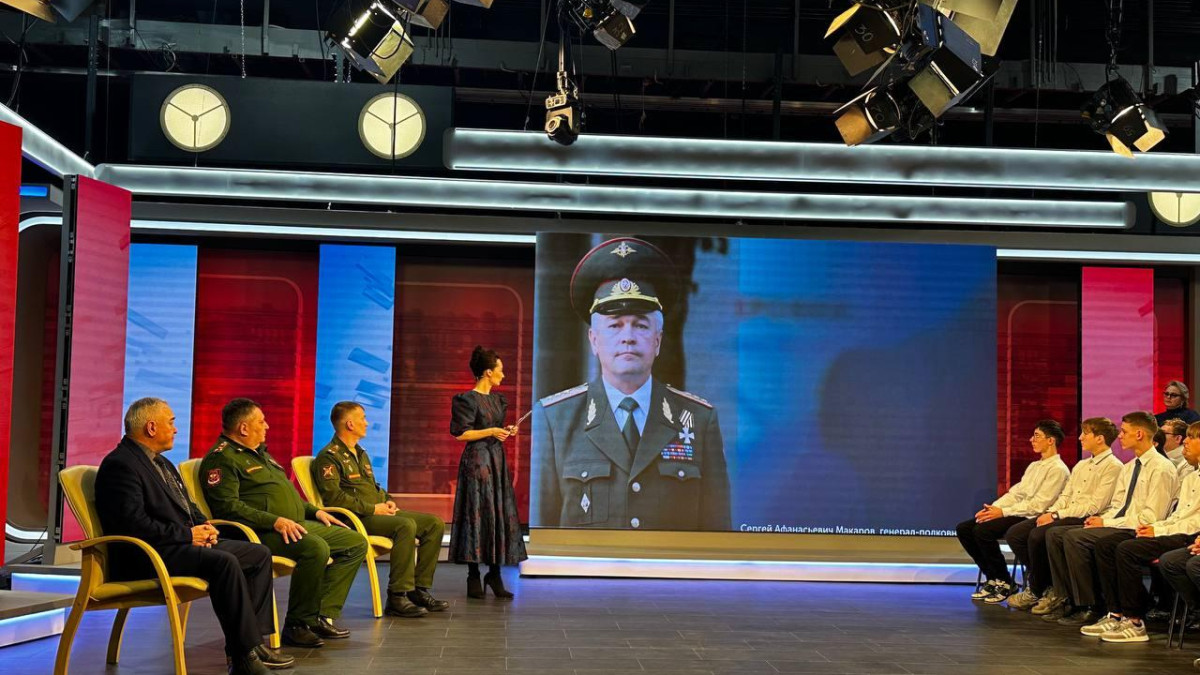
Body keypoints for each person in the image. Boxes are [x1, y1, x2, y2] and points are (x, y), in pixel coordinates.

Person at [533, 237, 731, 531]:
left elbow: (717, 538)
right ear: (594, 340)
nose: (628, 337)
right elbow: (541, 536)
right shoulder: (555, 420)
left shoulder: (699, 421)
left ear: (657, 340)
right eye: (614, 325)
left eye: (640, 325)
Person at [95, 398, 291, 675]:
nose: (175, 429)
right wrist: (187, 535)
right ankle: (243, 656)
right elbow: (133, 525)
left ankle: (253, 644)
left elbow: (187, 505)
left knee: (258, 554)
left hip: (174, 545)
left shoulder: (160, 461)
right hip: (146, 555)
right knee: (224, 562)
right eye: (171, 422)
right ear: (151, 427)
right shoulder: (121, 465)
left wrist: (205, 526)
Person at [200, 398, 367, 648]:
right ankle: (297, 624)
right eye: (261, 421)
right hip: (259, 532)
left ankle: (320, 614)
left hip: (294, 523)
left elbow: (287, 495)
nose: (266, 426)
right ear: (243, 428)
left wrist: (315, 512)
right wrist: (275, 521)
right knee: (315, 548)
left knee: (355, 542)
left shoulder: (260, 454)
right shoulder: (221, 459)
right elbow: (228, 507)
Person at [313, 401, 449, 617]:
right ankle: (397, 596)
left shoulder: (360, 453)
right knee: (405, 525)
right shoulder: (328, 457)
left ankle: (418, 590)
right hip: (356, 518)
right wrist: (373, 509)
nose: (366, 423)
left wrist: (388, 499)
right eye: (363, 418)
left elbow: (372, 486)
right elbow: (334, 498)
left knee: (434, 523)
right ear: (350, 424)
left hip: (377, 512)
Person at [1044, 412, 1177, 626]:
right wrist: (1101, 519)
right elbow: (1117, 506)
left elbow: (1151, 517)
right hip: (1122, 523)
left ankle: (1094, 605)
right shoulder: (1130, 467)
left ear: (1139, 434)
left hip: (1141, 529)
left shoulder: (1161, 468)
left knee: (1079, 539)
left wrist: (1106, 522)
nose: (1120, 436)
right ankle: (1076, 600)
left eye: (1124, 431)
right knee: (1062, 534)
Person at [1087, 421, 1200, 642]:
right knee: (1106, 545)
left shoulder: (1162, 467)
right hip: (1172, 529)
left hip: (1187, 535)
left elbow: (1193, 522)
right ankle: (1115, 613)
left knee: (1128, 550)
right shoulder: (1191, 478)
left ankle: (1135, 620)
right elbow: (1178, 516)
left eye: (1192, 437)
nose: (1185, 441)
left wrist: (1157, 529)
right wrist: (1158, 528)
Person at [1008, 417, 1124, 613]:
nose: (1080, 438)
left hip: (1086, 516)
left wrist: (1056, 516)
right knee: (1017, 533)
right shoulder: (1081, 465)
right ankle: (1047, 584)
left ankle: (1044, 589)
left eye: (1085, 434)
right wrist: (1051, 512)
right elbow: (1065, 496)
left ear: (1100, 438)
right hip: (1065, 512)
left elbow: (1094, 506)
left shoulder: (1114, 466)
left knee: (1040, 535)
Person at [957, 420, 1069, 604]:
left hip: (1031, 516)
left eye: (1037, 436)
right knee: (965, 529)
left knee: (983, 531)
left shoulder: (1058, 470)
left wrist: (1003, 512)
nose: (1031, 440)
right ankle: (992, 578)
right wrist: (993, 509)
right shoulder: (1034, 466)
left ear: (1051, 440)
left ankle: (1005, 581)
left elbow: (1038, 506)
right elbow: (1016, 493)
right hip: (1016, 511)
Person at [449, 346, 528, 599]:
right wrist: (492, 431)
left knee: (496, 513)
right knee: (476, 513)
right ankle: (473, 574)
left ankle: (494, 574)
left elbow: (494, 429)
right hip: (477, 462)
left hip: (496, 461)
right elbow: (462, 433)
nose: (503, 375)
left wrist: (506, 430)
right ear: (488, 372)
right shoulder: (466, 399)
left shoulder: (497, 400)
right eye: (500, 370)